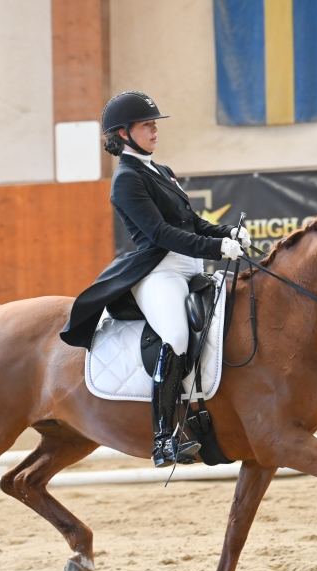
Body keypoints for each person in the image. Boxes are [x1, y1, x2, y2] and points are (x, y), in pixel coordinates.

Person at [60, 91, 250, 468]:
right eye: (146, 125)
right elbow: (161, 234)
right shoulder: (126, 180)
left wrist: (227, 232)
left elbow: (192, 222)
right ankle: (163, 438)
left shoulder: (161, 171)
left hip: (191, 267)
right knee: (175, 336)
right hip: (159, 271)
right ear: (124, 133)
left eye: (154, 124)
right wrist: (216, 248)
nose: (154, 130)